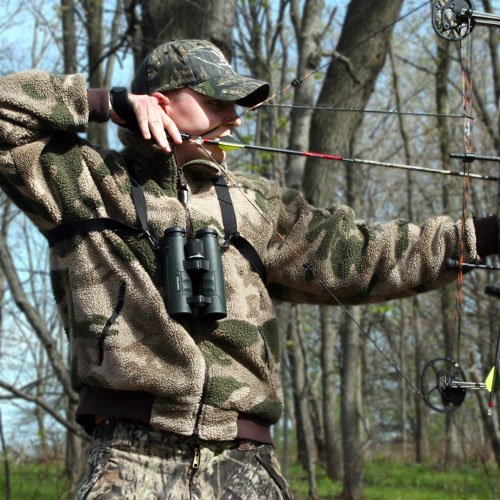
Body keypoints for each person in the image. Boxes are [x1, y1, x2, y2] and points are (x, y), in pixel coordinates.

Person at [0, 39, 497, 499]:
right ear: (160, 102)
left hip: (244, 461)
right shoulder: (86, 181)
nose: (234, 119)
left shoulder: (257, 206)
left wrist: (484, 236)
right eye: (216, 102)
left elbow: (367, 256)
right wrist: (106, 103)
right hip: (130, 458)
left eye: (235, 105)